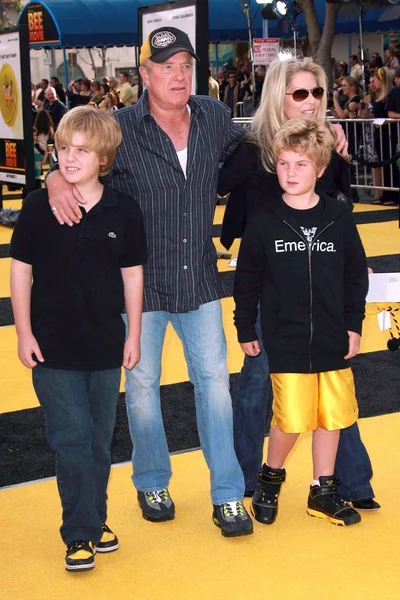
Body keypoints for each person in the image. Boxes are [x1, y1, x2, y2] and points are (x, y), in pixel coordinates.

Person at [45, 26, 253, 538]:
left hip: (201, 280)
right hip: (139, 285)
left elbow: (258, 142)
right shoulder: (119, 127)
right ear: (144, 74)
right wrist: (53, 178)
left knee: (216, 391)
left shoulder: (214, 116)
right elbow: (77, 159)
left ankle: (227, 493)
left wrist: (324, 129)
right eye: (165, 66)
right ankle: (152, 479)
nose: (177, 75)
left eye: (185, 65)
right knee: (140, 390)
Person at [218, 57, 380, 512]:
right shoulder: (253, 149)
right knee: (255, 386)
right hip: (270, 291)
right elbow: (208, 184)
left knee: (334, 389)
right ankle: (248, 478)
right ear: (279, 96)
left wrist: (349, 267)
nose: (311, 102)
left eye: (317, 93)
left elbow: (338, 212)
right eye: (300, 93)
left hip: (317, 291)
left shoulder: (328, 147)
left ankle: (348, 483)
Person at [10, 106, 147, 572]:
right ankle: (80, 533)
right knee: (72, 437)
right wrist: (23, 331)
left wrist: (135, 334)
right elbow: (20, 271)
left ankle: (96, 518)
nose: (69, 158)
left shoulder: (123, 210)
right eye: (64, 148)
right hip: (51, 345)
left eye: (82, 151)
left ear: (104, 157)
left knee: (99, 441)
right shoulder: (36, 207)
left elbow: (133, 275)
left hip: (106, 344)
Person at [233, 117, 367, 527]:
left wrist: (353, 323)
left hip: (331, 334)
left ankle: (322, 490)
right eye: (285, 164)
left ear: (321, 169)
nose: (291, 173)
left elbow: (354, 274)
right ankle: (270, 476)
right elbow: (248, 277)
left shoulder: (338, 217)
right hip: (284, 336)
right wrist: (243, 326)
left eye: (302, 165)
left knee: (333, 414)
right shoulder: (265, 218)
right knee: (290, 417)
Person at [360, 67, 399, 206]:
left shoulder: (389, 95)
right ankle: (384, 194)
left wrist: (377, 122)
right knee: (383, 164)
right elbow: (374, 116)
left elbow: (384, 116)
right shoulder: (378, 96)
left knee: (389, 164)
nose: (372, 83)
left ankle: (392, 195)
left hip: (388, 133)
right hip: (379, 134)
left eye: (374, 80)